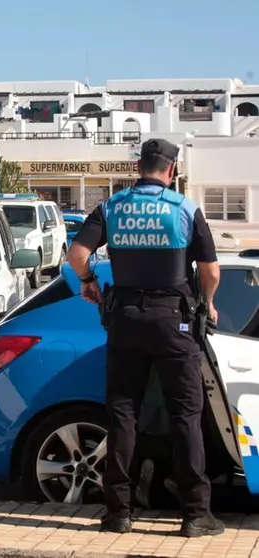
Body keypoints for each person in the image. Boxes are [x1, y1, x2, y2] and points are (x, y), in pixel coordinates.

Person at [66, 138, 224, 538]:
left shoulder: (113, 207)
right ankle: (195, 514)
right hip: (174, 322)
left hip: (125, 321)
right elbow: (211, 271)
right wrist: (208, 302)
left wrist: (88, 283)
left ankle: (118, 513)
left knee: (123, 415)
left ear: (140, 166)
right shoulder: (184, 209)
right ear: (172, 169)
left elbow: (77, 255)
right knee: (186, 416)